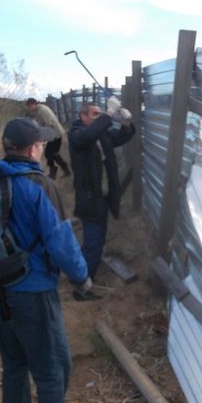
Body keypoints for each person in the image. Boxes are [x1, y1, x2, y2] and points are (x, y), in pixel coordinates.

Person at [0, 118, 92, 403]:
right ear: (32, 149)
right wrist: (81, 277)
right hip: (34, 293)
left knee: (14, 365)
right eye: (41, 144)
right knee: (53, 369)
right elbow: (60, 242)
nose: (43, 148)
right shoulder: (38, 186)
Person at [68, 97, 135, 289]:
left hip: (103, 196)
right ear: (83, 116)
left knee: (95, 240)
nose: (100, 117)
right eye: (95, 114)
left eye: (100, 113)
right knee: (94, 244)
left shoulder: (101, 134)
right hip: (90, 199)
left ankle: (80, 272)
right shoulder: (76, 133)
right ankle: (83, 282)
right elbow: (86, 138)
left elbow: (120, 138)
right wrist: (108, 114)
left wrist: (127, 124)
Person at [26, 98, 71, 179]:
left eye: (29, 107)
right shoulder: (39, 110)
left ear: (33, 104)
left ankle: (55, 171)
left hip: (54, 133)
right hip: (54, 133)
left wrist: (44, 138)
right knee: (53, 153)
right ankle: (64, 170)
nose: (29, 109)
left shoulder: (42, 111)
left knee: (49, 153)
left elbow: (49, 124)